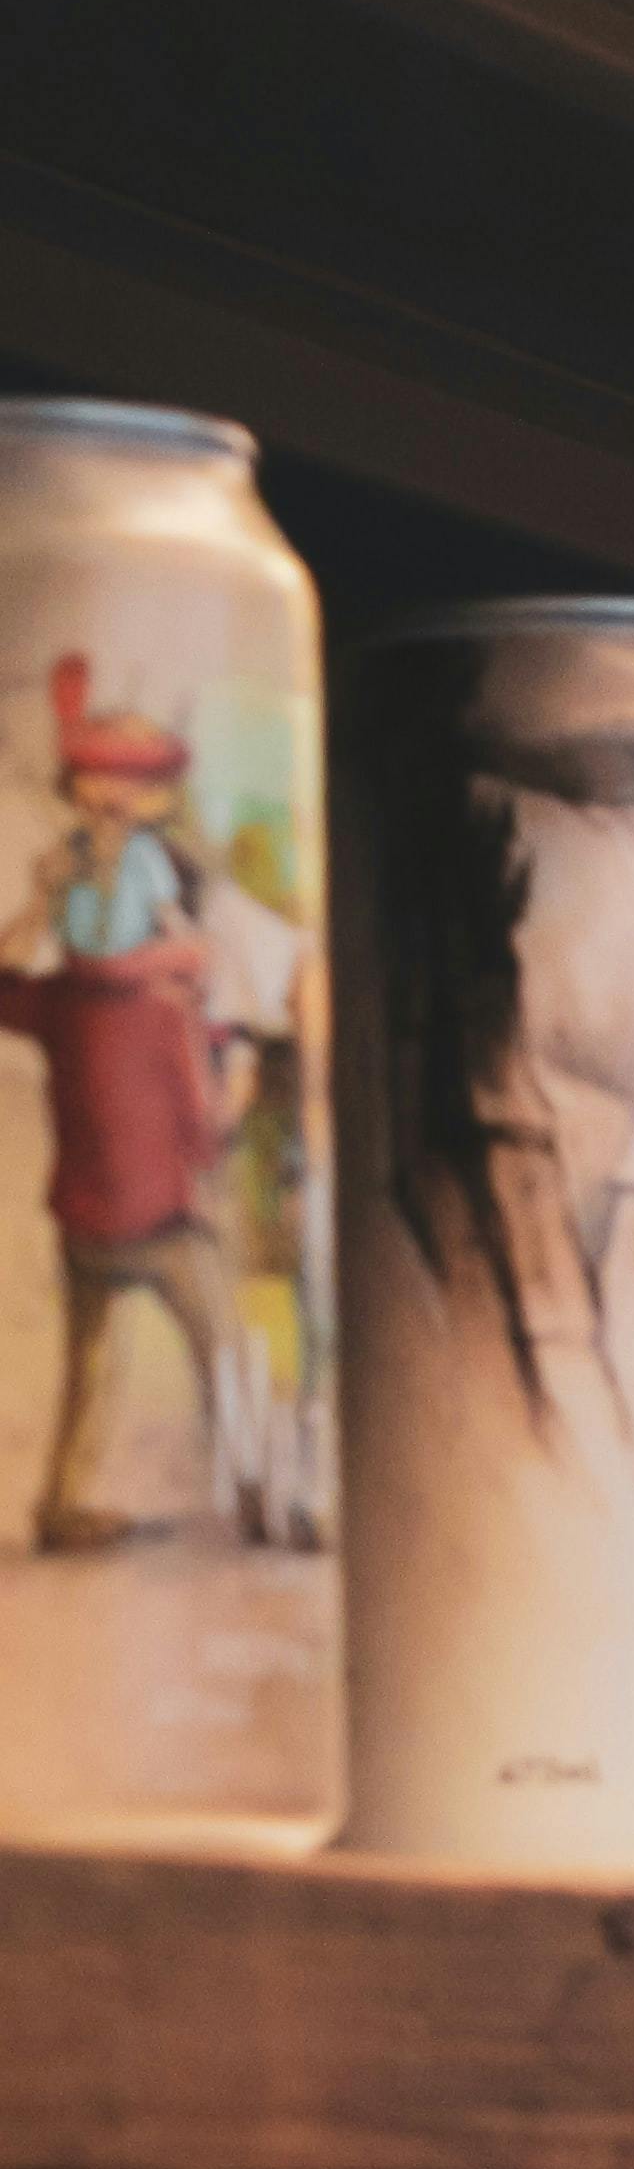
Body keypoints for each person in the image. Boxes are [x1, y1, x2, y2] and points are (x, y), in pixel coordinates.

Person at [0, 658, 247, 1550]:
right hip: (161, 1217)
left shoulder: (71, 1001)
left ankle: (64, 1505)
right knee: (217, 1347)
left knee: (91, 1372)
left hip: (87, 1218)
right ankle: (257, 1494)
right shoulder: (164, 1004)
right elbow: (203, 1125)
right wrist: (231, 1098)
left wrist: (33, 910)